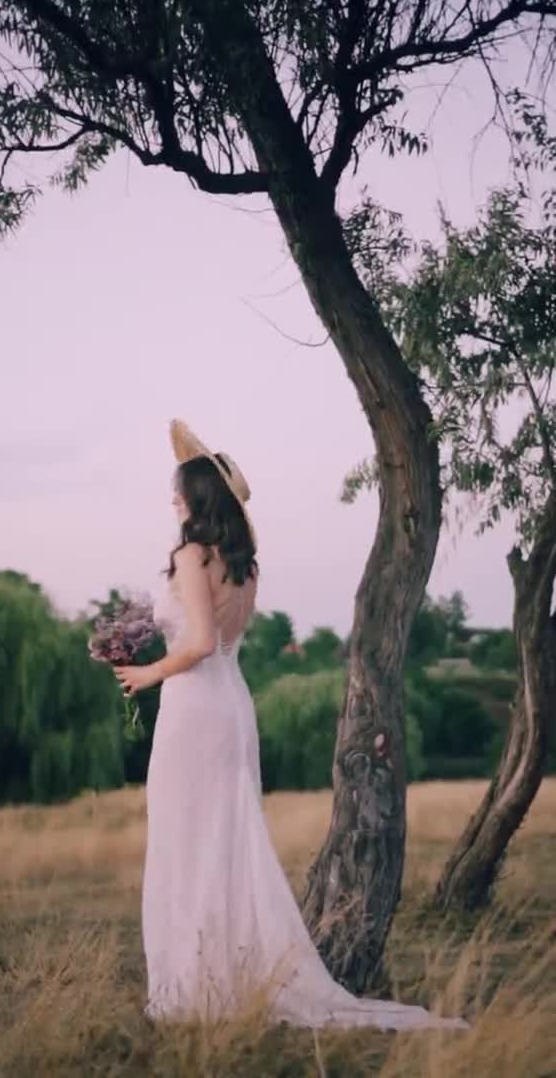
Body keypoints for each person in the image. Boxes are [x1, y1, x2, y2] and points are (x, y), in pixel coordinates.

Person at [114, 419, 469, 1031]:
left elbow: (198, 642)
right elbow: (220, 640)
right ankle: (224, 974)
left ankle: (196, 987)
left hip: (196, 707)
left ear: (198, 498)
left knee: (189, 841)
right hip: (231, 702)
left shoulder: (191, 555)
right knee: (223, 841)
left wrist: (146, 676)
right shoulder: (245, 566)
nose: (171, 499)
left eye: (178, 491)